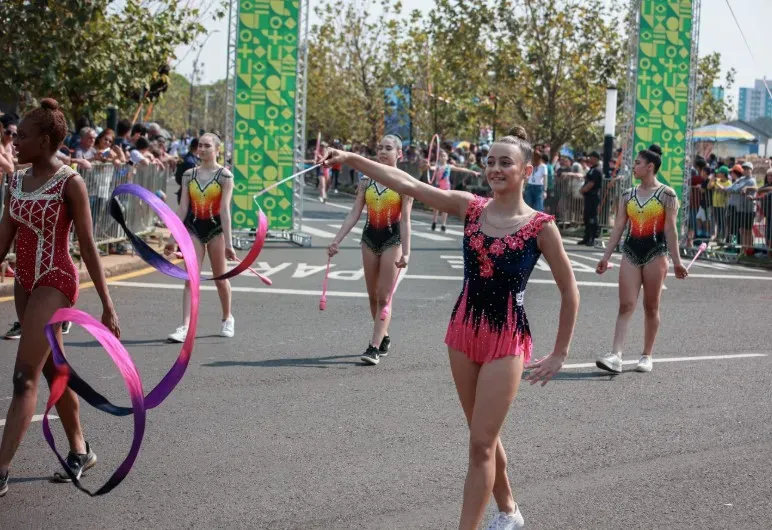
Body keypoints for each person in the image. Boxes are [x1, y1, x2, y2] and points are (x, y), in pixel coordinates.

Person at [320, 126, 579, 529]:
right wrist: (352, 160)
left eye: (505, 162)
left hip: (506, 339)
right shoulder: (470, 207)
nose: (495, 168)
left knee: (479, 444)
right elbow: (407, 182)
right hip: (462, 332)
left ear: (527, 170)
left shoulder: (541, 227)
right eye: (490, 161)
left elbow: (569, 289)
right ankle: (509, 510)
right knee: (484, 434)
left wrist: (560, 352)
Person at [0, 99, 120, 497]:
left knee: (23, 378)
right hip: (26, 282)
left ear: (46, 140)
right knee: (53, 370)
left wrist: (107, 304)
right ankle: (81, 449)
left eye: (23, 135)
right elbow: (3, 241)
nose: (15, 141)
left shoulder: (71, 182)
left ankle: (0, 470)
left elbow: (87, 246)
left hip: (56, 280)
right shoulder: (14, 182)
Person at [595, 144, 687, 374]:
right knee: (626, 304)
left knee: (651, 306)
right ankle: (616, 354)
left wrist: (677, 262)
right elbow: (618, 228)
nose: (634, 166)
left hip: (656, 254)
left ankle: (647, 355)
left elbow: (671, 230)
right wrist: (606, 256)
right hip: (631, 253)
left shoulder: (667, 195)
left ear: (650, 166)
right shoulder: (628, 195)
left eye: (637, 163)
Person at [327, 134, 413, 365]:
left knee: (384, 296)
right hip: (368, 240)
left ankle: (373, 346)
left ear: (399, 154)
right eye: (380, 148)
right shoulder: (366, 181)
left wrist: (406, 251)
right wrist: (337, 239)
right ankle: (383, 337)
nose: (383, 152)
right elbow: (355, 212)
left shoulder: (405, 184)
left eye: (388, 148)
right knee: (373, 297)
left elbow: (405, 221)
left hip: (391, 241)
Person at [165, 133, 237, 343]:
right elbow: (182, 208)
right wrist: (172, 238)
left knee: (220, 278)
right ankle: (185, 326)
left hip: (215, 230)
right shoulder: (189, 175)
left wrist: (229, 244)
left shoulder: (225, 176)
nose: (202, 149)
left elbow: (224, 211)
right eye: (200, 146)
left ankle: (227, 318)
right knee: (191, 278)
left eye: (207, 146)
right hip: (194, 229)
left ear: (217, 150)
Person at [579, 152, 602, 245]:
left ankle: (592, 238)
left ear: (596, 158)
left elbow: (591, 183)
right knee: (587, 217)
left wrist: (583, 190)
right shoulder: (592, 169)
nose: (589, 159)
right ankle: (586, 237)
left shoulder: (596, 170)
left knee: (592, 217)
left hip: (593, 196)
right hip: (589, 197)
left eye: (591, 157)